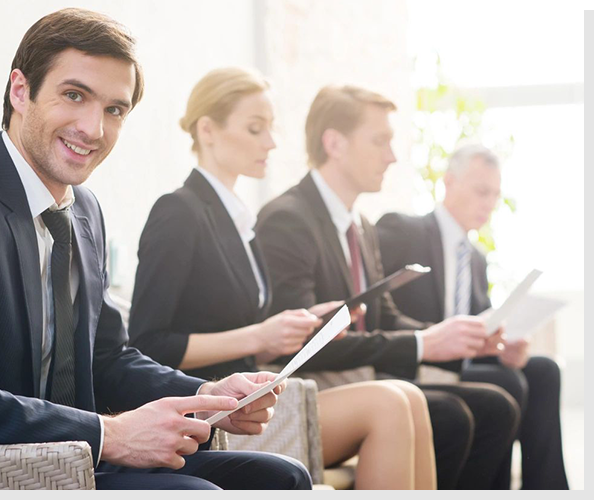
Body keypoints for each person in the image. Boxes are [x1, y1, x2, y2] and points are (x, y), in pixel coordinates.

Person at [0, 9, 311, 491]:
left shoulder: (84, 211)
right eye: (74, 95)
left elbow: (108, 359)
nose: (93, 129)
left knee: (280, 478)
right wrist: (109, 434)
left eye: (114, 110)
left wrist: (206, 394)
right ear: (20, 91)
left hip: (62, 459)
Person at [129, 68, 437, 490]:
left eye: (271, 129)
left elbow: (245, 321)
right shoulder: (178, 212)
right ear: (208, 130)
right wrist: (260, 337)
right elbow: (148, 342)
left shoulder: (238, 221)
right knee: (388, 404)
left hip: (250, 402)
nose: (271, 143)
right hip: (212, 413)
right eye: (256, 129)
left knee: (409, 398)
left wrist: (306, 321)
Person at [255, 85, 521, 490]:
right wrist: (422, 343)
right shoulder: (287, 219)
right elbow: (302, 346)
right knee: (457, 414)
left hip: (360, 374)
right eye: (380, 141)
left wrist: (450, 339)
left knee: (495, 405)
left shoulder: (360, 224)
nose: (392, 156)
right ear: (334, 143)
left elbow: (384, 315)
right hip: (318, 384)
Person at [376, 144, 569, 490]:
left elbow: (485, 321)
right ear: (449, 183)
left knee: (543, 369)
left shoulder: (476, 259)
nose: (489, 203)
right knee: (508, 383)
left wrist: (505, 347)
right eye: (482, 191)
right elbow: (380, 312)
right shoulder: (403, 230)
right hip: (420, 360)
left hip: (463, 362)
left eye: (495, 195)